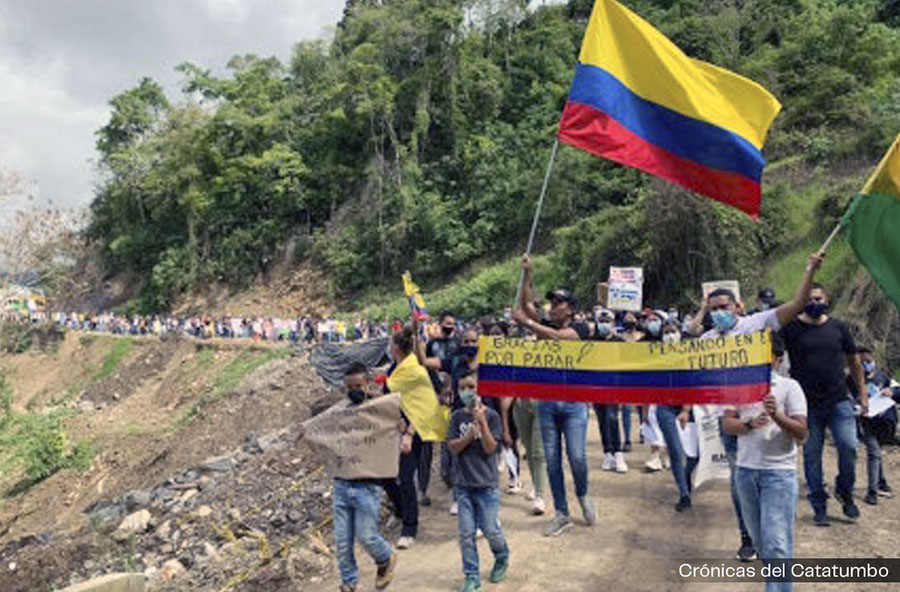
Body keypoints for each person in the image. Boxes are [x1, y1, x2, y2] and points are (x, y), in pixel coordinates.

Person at [693, 253, 823, 560]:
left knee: (768, 479)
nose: (718, 314)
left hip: (769, 415)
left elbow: (796, 305)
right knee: (742, 483)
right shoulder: (708, 340)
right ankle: (748, 536)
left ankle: (775, 533)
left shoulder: (757, 323)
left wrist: (809, 270)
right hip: (733, 418)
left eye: (723, 308)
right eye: (713, 310)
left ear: (738, 307)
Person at [513, 254, 596, 537]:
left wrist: (528, 324)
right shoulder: (546, 323)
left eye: (558, 303)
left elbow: (561, 338)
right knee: (552, 459)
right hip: (547, 402)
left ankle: (583, 494)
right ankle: (562, 512)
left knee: (577, 458)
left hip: (574, 404)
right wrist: (527, 274)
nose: (552, 307)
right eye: (551, 302)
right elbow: (526, 305)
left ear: (570, 309)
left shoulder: (582, 327)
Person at [723, 336, 808, 592]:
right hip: (746, 473)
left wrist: (776, 415)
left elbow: (801, 432)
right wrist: (748, 424)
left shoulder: (790, 387)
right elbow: (727, 424)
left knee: (777, 544)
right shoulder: (737, 387)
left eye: (765, 354)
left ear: (776, 358)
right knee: (762, 544)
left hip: (779, 474)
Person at [780, 282, 864, 525]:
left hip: (839, 400)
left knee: (849, 447)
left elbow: (855, 362)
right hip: (805, 406)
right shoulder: (791, 329)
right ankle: (819, 504)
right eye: (809, 299)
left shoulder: (839, 327)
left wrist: (863, 394)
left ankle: (845, 492)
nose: (814, 303)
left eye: (818, 299)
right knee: (812, 455)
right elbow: (772, 355)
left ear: (827, 300)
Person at [333, 363, 398, 592]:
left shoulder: (379, 409)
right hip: (342, 484)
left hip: (367, 486)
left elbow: (397, 419)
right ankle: (349, 583)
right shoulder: (339, 413)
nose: (354, 390)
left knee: (367, 536)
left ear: (367, 385)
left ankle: (386, 556)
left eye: (358, 386)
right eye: (349, 387)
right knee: (342, 542)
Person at [448, 368, 510, 592]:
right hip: (463, 486)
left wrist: (482, 423)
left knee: (490, 528)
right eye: (462, 388)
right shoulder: (456, 417)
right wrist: (468, 435)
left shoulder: (491, 416)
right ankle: (471, 575)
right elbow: (453, 447)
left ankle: (501, 556)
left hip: (487, 486)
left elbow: (491, 448)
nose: (467, 392)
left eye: (471, 387)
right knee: (466, 534)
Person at [386, 325, 448, 549]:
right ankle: (401, 510)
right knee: (386, 476)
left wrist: (410, 432)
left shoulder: (419, 370)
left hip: (416, 431)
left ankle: (409, 527)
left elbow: (426, 403)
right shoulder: (396, 368)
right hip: (394, 428)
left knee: (405, 475)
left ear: (395, 348)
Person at [855, 348, 894, 505]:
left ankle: (881, 482)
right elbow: (846, 398)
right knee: (874, 452)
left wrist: (891, 391)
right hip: (866, 421)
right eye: (863, 363)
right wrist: (857, 405)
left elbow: (897, 392)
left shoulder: (883, 377)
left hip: (883, 422)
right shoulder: (852, 380)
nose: (867, 365)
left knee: (876, 452)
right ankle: (872, 492)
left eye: (869, 362)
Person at [592, 308, 627, 474]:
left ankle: (618, 453)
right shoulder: (591, 341)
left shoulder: (619, 342)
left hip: (613, 386)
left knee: (612, 418)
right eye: (602, 321)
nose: (604, 324)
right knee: (601, 420)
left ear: (613, 323)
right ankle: (607, 453)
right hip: (596, 386)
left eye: (607, 321)